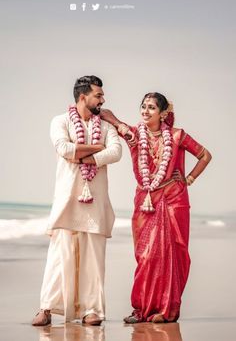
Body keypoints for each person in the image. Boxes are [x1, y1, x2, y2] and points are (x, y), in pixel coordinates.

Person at [100, 92, 212, 323]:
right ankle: (141, 308)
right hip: (145, 200)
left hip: (174, 199)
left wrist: (188, 178)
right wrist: (110, 119)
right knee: (146, 255)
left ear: (163, 114)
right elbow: (107, 115)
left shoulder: (178, 135)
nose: (145, 111)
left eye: (151, 107)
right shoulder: (134, 135)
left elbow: (205, 155)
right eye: (143, 106)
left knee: (172, 254)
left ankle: (166, 309)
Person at [32, 75, 122, 326]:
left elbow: (116, 152)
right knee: (59, 256)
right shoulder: (59, 121)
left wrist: (85, 154)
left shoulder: (105, 126)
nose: (103, 100)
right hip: (66, 199)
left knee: (94, 258)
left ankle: (91, 310)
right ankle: (47, 308)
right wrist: (96, 148)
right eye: (98, 95)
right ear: (83, 97)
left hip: (96, 202)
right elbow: (64, 149)